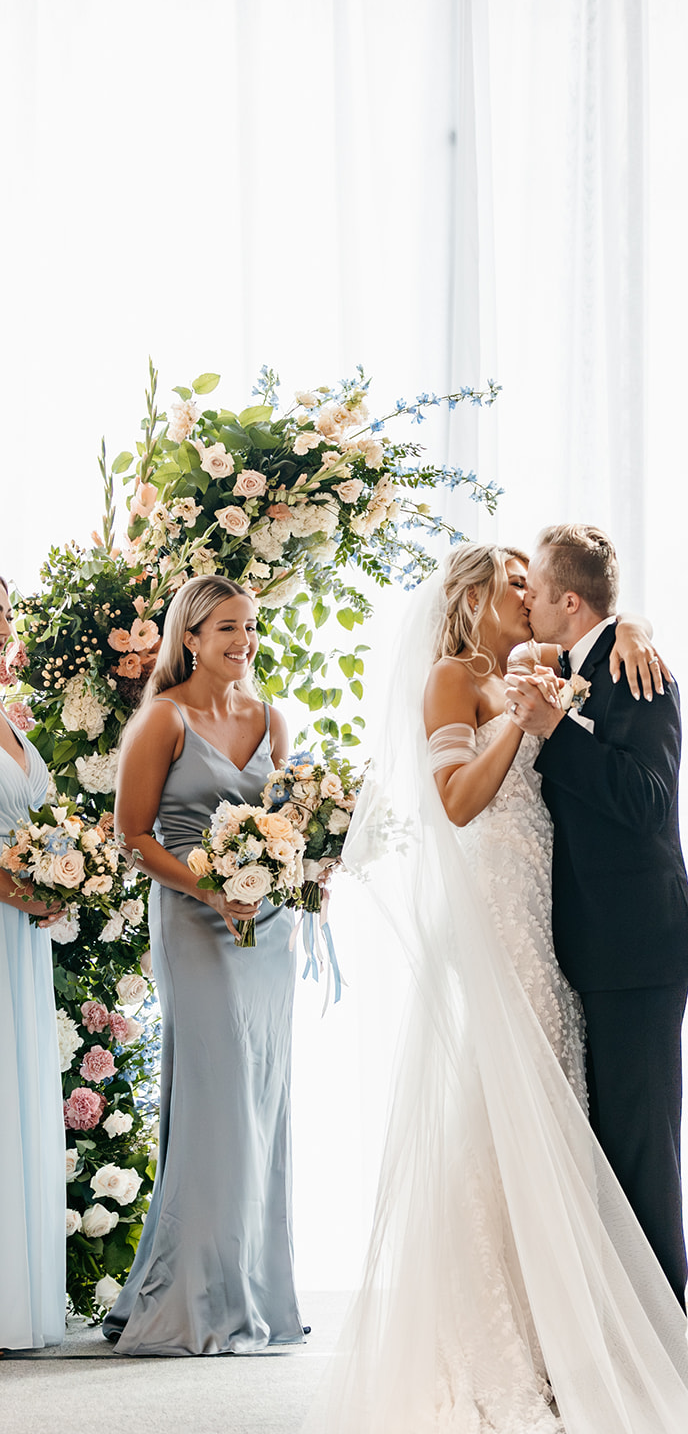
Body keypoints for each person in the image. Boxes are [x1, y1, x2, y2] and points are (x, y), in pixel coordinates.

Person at [321, 544, 688, 1434]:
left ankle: (581, 1335)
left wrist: (631, 623)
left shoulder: (555, 665)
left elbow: (605, 622)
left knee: (565, 1124)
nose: (525, 597)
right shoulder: (453, 676)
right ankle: (499, 1339)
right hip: (501, 920)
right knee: (498, 1116)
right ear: (471, 595)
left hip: (565, 931)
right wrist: (521, 721)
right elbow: (458, 802)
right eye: (510, 584)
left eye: (531, 584)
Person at [506, 523, 688, 1311]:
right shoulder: (563, 667)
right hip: (579, 945)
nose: (521, 600)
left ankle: (659, 1332)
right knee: (599, 1148)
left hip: (638, 947)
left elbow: (647, 801)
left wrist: (557, 731)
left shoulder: (638, 673)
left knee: (641, 1148)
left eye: (531, 588)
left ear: (566, 599)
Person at [102, 575, 304, 1355]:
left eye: (250, 628)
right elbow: (134, 836)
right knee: (218, 1102)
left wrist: (297, 870)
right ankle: (199, 1296)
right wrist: (212, 887)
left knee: (262, 1098)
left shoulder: (270, 718)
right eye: (227, 627)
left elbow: (288, 820)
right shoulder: (164, 719)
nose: (243, 641)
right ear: (190, 636)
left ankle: (254, 1286)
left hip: (269, 935)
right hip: (194, 921)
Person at [0, 574, 67, 1353]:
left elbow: (44, 827)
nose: (3, 628)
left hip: (23, 932)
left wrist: (61, 879)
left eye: (7, 615)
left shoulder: (17, 727)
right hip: (7, 915)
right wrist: (21, 890)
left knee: (18, 1088)